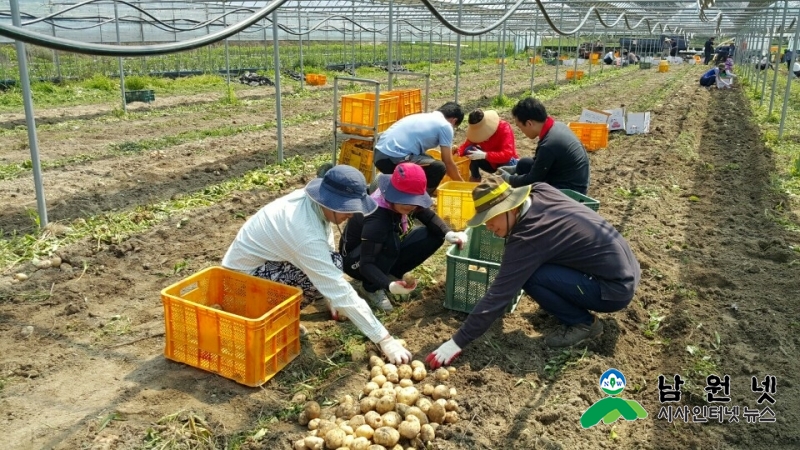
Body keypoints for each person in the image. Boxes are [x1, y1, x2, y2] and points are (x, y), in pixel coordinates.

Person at [426, 179, 641, 368]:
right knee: (539, 267)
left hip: (614, 288)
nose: (489, 226)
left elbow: (498, 296)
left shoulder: (528, 238)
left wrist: (457, 342)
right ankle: (569, 301)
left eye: (491, 218)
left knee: (530, 276)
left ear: (511, 209)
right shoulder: (540, 191)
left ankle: (583, 324)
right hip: (626, 265)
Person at [221, 165, 412, 364]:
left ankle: (279, 316)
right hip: (240, 288)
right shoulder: (304, 232)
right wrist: (384, 339)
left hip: (259, 268)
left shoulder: (312, 203)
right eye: (347, 208)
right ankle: (273, 320)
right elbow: (338, 287)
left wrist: (331, 299)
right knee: (319, 277)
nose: (352, 214)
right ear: (331, 203)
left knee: (333, 262)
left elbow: (326, 244)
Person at [341, 163, 468, 310]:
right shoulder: (377, 218)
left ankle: (390, 273)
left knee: (434, 235)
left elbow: (428, 216)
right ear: (392, 192)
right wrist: (389, 286)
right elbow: (366, 264)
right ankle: (371, 288)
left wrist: (448, 233)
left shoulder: (406, 203)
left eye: (414, 200)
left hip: (378, 248)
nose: (410, 205)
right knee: (391, 241)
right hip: (355, 261)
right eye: (405, 199)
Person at [498, 97, 590, 195]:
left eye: (520, 127)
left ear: (529, 123)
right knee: (523, 164)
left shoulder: (549, 145)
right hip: (570, 177)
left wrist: (508, 179)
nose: (522, 132)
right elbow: (539, 164)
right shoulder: (557, 126)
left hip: (570, 190)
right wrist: (515, 169)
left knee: (532, 192)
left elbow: (533, 179)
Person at [373, 102, 465, 194]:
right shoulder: (445, 125)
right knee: (438, 168)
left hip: (379, 154)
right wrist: (463, 187)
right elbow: (448, 163)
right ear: (454, 120)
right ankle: (419, 203)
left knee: (429, 161)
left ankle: (408, 191)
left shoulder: (423, 116)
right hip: (392, 158)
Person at [457, 109, 519, 182]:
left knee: (508, 163)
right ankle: (475, 177)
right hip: (491, 163)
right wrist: (456, 154)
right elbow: (466, 145)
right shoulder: (475, 133)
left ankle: (508, 179)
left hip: (508, 163)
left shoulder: (503, 127)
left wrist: (485, 155)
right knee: (469, 150)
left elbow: (507, 154)